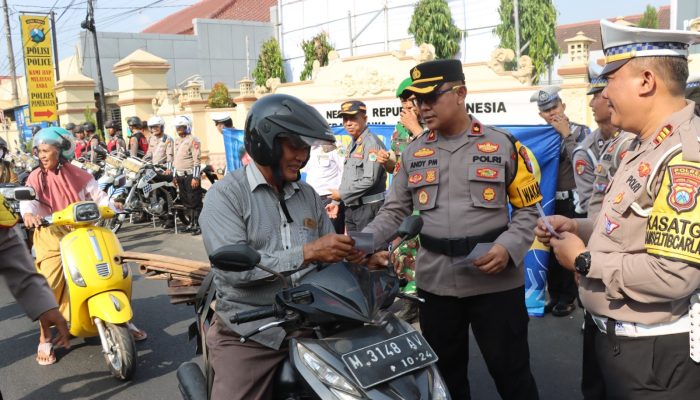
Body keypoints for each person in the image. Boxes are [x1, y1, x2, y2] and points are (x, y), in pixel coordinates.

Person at [355, 59, 541, 400]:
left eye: (430, 98)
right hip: (437, 284)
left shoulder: (502, 145)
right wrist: (360, 242)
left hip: (494, 282)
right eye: (417, 100)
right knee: (445, 378)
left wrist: (508, 246)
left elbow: (528, 211)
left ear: (461, 93)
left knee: (512, 374)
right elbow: (394, 210)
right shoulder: (414, 151)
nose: (421, 107)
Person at [535, 20, 700, 399]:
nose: (604, 94)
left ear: (646, 81)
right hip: (614, 340)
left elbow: (674, 276)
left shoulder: (684, 156)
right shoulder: (639, 145)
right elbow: (624, 228)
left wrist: (584, 261)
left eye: (610, 79)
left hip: (653, 360)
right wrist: (579, 227)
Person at [199, 93, 356, 400]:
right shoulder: (226, 196)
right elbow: (235, 274)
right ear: (265, 142)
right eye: (294, 146)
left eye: (305, 148)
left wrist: (359, 259)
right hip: (252, 334)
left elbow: (329, 255)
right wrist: (308, 252)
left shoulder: (308, 194)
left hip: (312, 325)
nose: (302, 155)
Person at [20, 127, 147, 365]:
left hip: (82, 228)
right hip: (50, 232)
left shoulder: (79, 173)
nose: (42, 156)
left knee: (112, 266)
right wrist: (29, 216)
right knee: (49, 281)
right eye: (39, 151)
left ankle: (122, 318)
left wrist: (113, 205)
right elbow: (29, 203)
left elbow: (98, 195)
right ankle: (45, 335)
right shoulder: (35, 177)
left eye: (47, 151)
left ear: (60, 151)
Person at [530, 85, 591, 316]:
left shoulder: (582, 132)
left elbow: (582, 165)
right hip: (549, 200)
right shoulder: (541, 135)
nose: (552, 113)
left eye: (554, 107)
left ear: (563, 106)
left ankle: (578, 299)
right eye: (546, 110)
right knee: (552, 248)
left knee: (574, 246)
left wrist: (566, 134)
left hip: (573, 200)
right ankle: (557, 295)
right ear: (540, 115)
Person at [0, 199, 70, 366]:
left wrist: (43, 305)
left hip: (76, 231)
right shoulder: (34, 179)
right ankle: (44, 336)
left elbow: (9, 249)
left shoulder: (82, 175)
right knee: (51, 276)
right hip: (48, 236)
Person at [332, 100, 387, 232]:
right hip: (352, 208)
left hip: (368, 210)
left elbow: (370, 179)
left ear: (365, 118)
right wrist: (336, 202)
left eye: (353, 118)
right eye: (345, 119)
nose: (348, 123)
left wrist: (342, 194)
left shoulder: (371, 143)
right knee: (355, 251)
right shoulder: (353, 144)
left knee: (369, 252)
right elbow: (348, 177)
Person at [571, 65, 618, 217]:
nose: (591, 104)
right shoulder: (586, 151)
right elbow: (589, 204)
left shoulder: (633, 136)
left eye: (595, 96)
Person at [376, 77, 425, 173]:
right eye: (404, 101)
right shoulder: (400, 127)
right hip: (402, 185)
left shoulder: (434, 124)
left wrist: (415, 128)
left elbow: (435, 155)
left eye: (413, 99)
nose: (408, 105)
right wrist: (387, 159)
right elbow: (394, 164)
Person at [304, 141, 345, 234]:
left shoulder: (336, 146)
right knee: (313, 237)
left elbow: (345, 171)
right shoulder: (307, 146)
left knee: (333, 237)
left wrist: (337, 200)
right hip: (311, 199)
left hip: (330, 199)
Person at [172, 115, 202, 235]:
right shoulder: (177, 141)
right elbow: (175, 159)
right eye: (178, 127)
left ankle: (198, 225)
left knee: (194, 201)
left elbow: (197, 160)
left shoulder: (193, 140)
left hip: (190, 175)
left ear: (187, 127)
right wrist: (174, 176)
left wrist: (196, 177)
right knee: (186, 201)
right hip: (180, 176)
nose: (179, 129)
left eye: (182, 127)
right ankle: (190, 223)